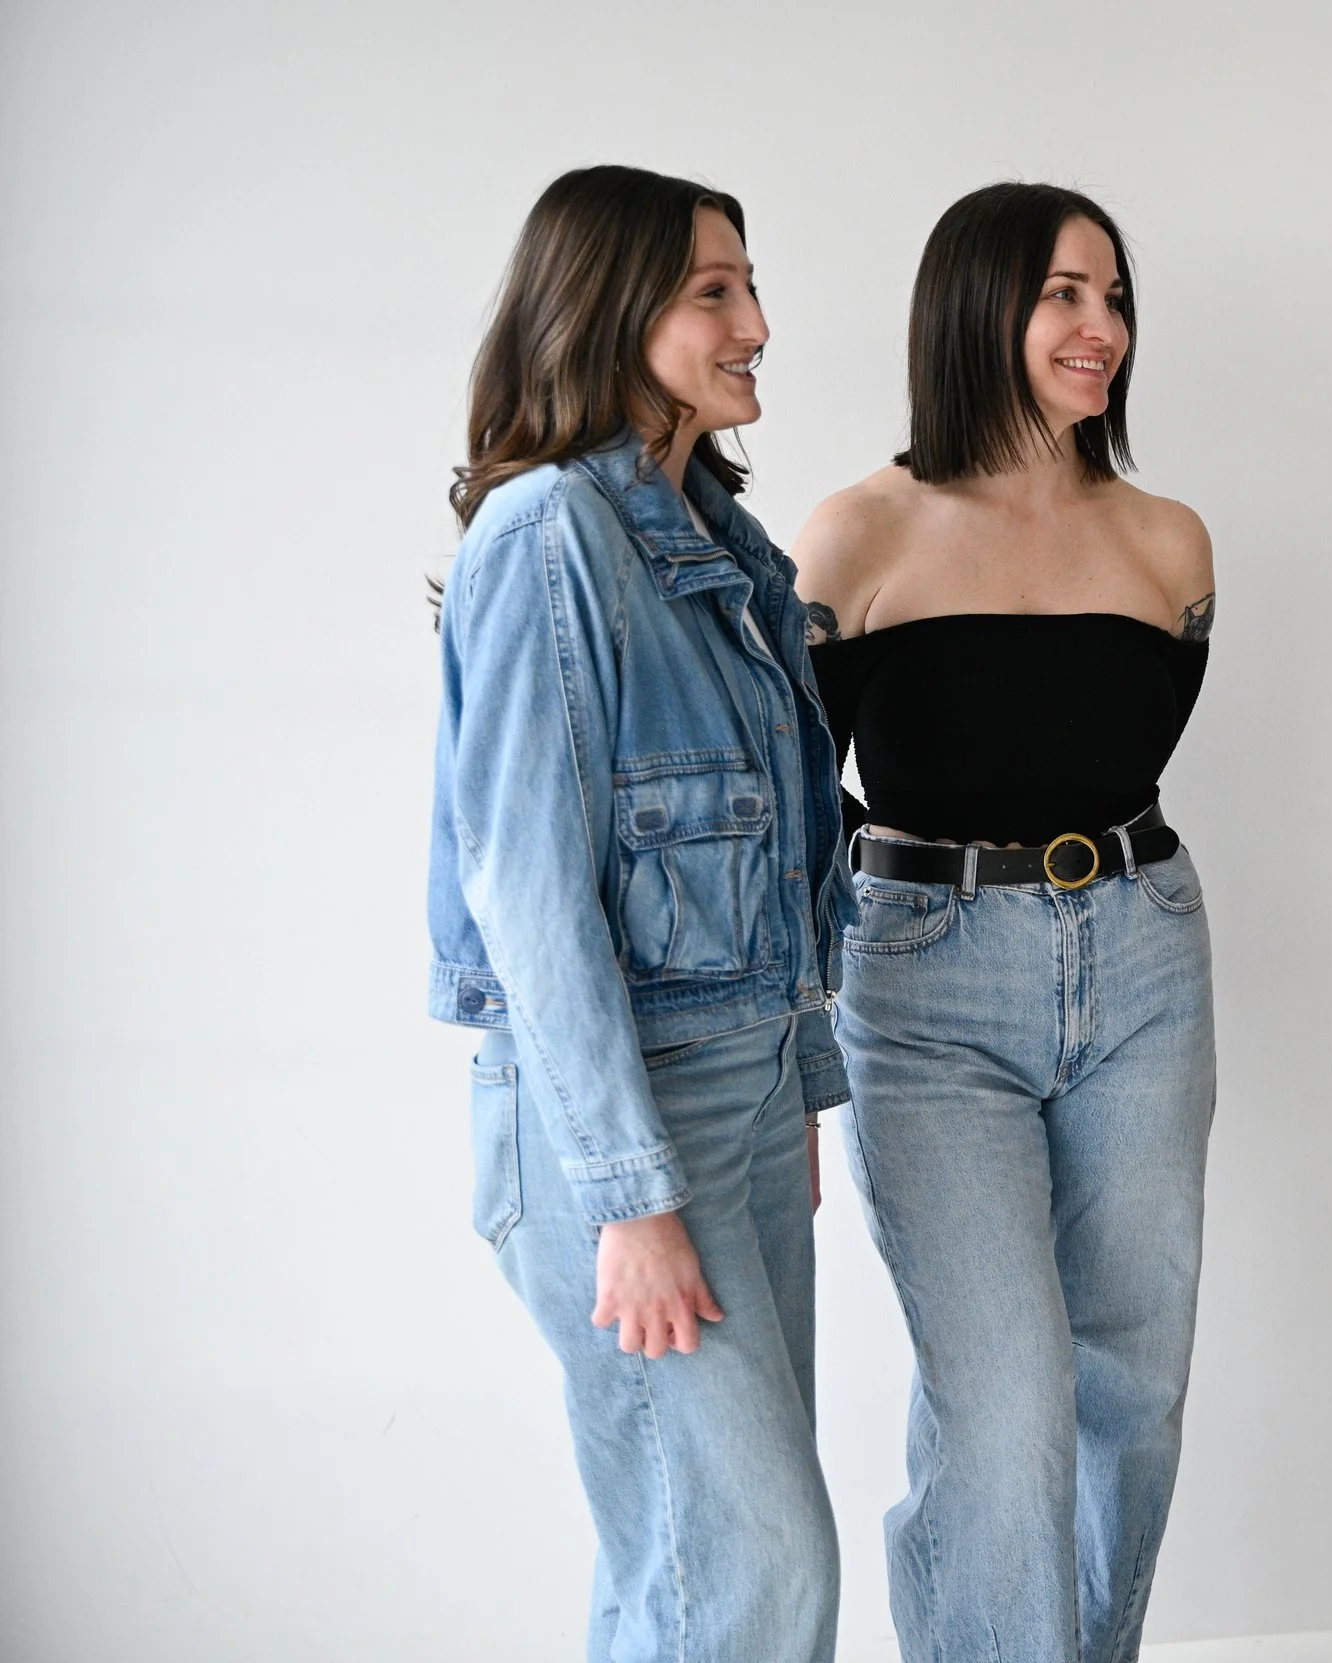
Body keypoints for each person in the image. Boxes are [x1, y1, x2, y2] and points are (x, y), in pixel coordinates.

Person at [790, 182, 1218, 1663]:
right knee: (1007, 1396)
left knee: (1135, 1385)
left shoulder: (1170, 543)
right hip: (921, 979)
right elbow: (796, 801)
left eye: (1113, 298)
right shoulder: (858, 534)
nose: (1101, 328)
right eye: (1063, 295)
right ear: (978, 306)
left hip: (1146, 955)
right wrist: (799, 1035)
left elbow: (1114, 757)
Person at [428, 165, 850, 1663]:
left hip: (732, 1105)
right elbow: (529, 892)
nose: (758, 325)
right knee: (750, 1572)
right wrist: (628, 1190)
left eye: (747, 285)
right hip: (624, 1120)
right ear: (614, 311)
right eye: (714, 293)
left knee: (688, 1560)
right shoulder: (549, 534)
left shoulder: (715, 547)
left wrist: (796, 1083)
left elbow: (778, 855)